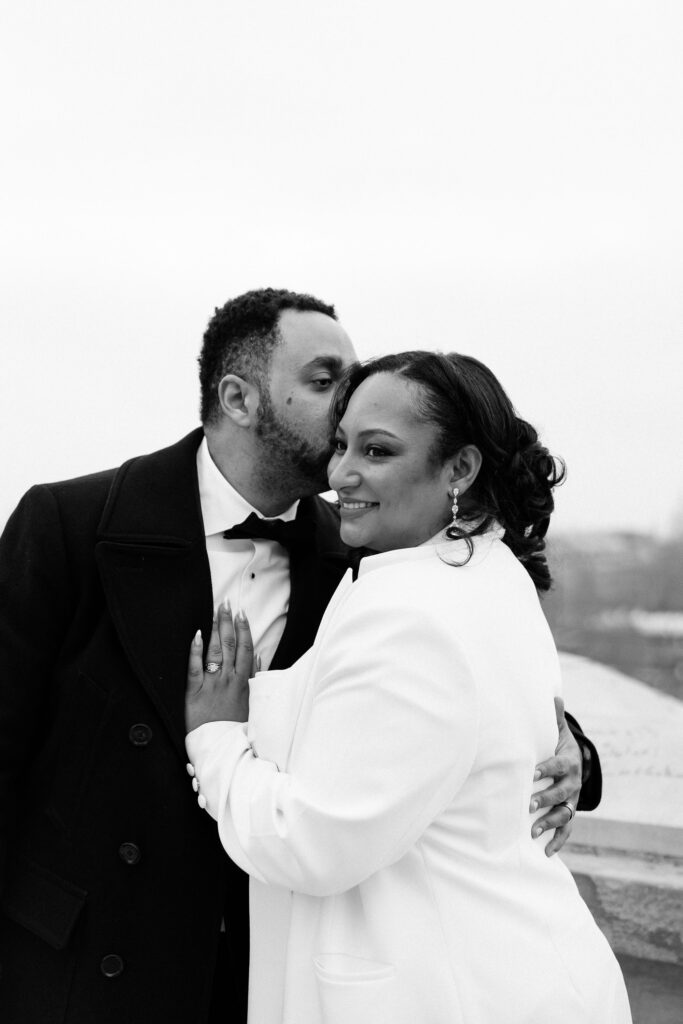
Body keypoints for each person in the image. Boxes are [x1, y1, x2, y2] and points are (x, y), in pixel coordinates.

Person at [0, 291, 598, 1024]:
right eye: (324, 381)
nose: (347, 402)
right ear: (239, 397)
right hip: (81, 966)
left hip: (254, 968)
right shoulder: (71, 524)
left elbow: (441, 690)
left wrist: (571, 749)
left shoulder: (365, 550)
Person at [184, 351, 630, 1023]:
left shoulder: (409, 615)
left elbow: (311, 842)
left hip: (448, 990)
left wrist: (216, 738)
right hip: (513, 968)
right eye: (341, 445)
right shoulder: (484, 567)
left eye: (377, 450)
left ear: (459, 467)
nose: (340, 474)